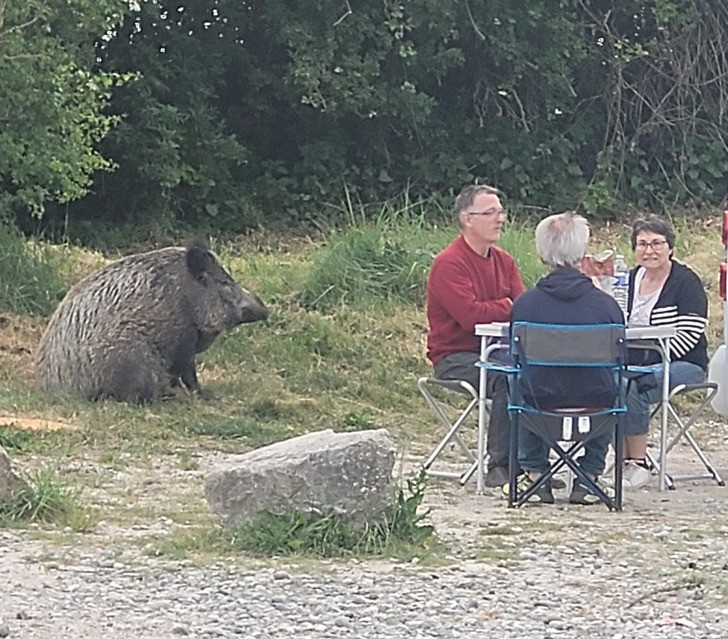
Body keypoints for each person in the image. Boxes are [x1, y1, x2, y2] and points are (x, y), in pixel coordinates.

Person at [508, 212, 624, 505]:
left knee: (515, 380)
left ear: (541, 254)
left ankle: (535, 474)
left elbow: (513, 357)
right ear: (582, 253)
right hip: (595, 402)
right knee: (619, 385)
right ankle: (589, 475)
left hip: (539, 402)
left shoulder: (525, 305)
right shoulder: (607, 307)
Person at [426, 184, 525, 488]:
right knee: (507, 377)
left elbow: (522, 307)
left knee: (536, 370)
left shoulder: (505, 261)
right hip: (456, 357)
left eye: (500, 212)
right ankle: (501, 465)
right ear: (467, 219)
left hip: (500, 351)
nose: (499, 219)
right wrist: (506, 305)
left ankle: (533, 462)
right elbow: (470, 317)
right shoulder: (449, 263)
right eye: (490, 213)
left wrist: (504, 307)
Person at [621, 215, 709, 488]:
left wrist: (651, 358)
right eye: (642, 244)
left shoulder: (686, 282)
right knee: (613, 381)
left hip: (684, 363)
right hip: (633, 361)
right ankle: (623, 462)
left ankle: (639, 462)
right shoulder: (628, 279)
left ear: (670, 247)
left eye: (657, 243)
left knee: (636, 383)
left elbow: (690, 334)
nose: (650, 251)